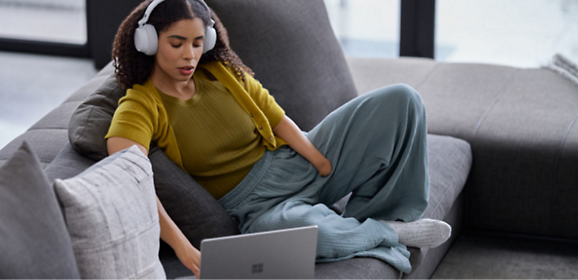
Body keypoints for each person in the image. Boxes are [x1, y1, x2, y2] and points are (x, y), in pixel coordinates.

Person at [106, 0, 452, 278]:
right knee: (313, 236)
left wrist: (319, 159)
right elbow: (133, 183)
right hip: (255, 207)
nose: (190, 56)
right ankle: (387, 232)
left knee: (402, 100)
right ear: (148, 42)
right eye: (176, 43)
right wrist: (183, 248)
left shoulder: (221, 72)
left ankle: (390, 213)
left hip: (293, 161)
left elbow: (275, 116)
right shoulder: (140, 106)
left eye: (197, 43)